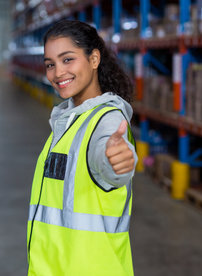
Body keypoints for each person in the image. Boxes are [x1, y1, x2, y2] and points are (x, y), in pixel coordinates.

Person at [27, 20, 137, 276]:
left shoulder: (106, 120)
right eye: (50, 65)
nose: (57, 73)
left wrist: (117, 162)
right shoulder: (70, 120)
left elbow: (108, 160)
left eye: (68, 60)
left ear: (94, 59)